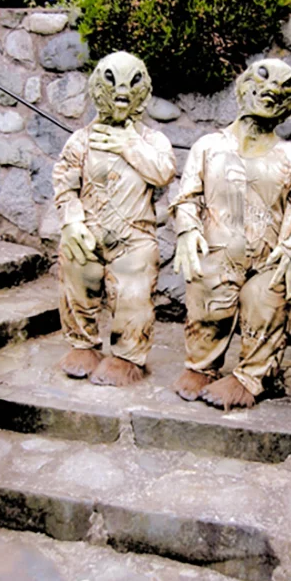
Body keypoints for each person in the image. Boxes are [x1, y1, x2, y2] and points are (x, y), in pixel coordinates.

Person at [171, 58, 291, 410]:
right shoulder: (208, 146)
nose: (272, 89)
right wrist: (187, 230)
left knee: (267, 297)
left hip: (268, 261)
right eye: (263, 79)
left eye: (284, 86)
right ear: (244, 86)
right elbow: (187, 197)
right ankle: (201, 366)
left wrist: (289, 250)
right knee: (206, 297)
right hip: (218, 252)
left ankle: (251, 378)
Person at [53, 51, 176, 386]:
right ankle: (82, 345)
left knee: (134, 293)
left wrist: (128, 145)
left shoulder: (153, 141)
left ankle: (127, 357)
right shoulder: (81, 140)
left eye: (132, 82)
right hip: (88, 232)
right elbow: (64, 184)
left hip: (134, 237)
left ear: (143, 91)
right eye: (113, 80)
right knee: (75, 272)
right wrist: (72, 221)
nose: (122, 90)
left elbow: (164, 172)